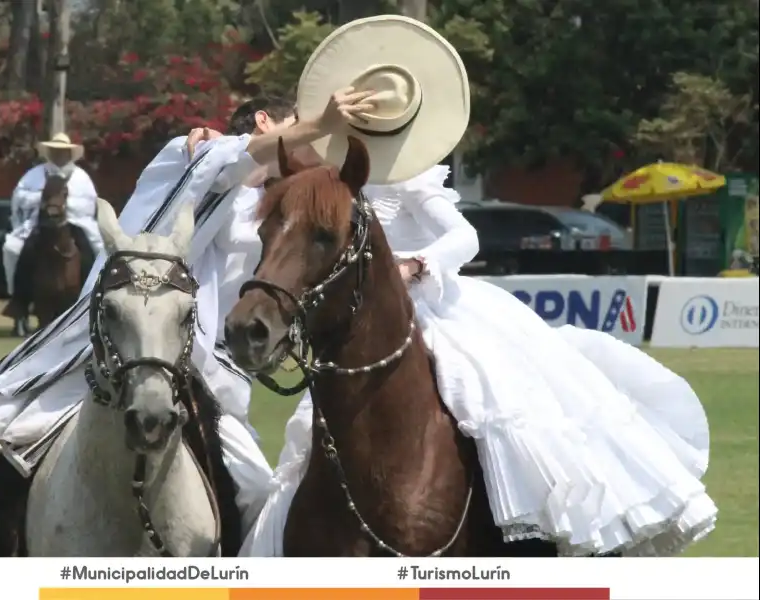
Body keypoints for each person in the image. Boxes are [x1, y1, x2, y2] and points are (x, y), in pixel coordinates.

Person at [238, 15, 717, 557]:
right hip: (357, 312)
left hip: (435, 306)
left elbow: (464, 237)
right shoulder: (323, 175)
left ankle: (535, 533)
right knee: (311, 436)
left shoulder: (414, 174)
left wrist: (415, 267)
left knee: (488, 395)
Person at [0, 91, 373, 556]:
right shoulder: (195, 156)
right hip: (109, 339)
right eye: (298, 125)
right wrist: (322, 121)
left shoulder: (275, 203)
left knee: (258, 491)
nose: (314, 140)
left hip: (200, 364)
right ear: (265, 122)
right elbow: (232, 160)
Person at [1, 133, 104, 336]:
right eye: (55, 151)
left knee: (96, 250)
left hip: (74, 223)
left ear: (70, 153)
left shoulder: (81, 177)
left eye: (63, 151)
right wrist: (41, 200)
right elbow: (19, 197)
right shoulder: (34, 175)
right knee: (12, 248)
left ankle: (93, 295)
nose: (59, 155)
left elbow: (89, 203)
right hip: (39, 222)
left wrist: (65, 204)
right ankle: (18, 299)